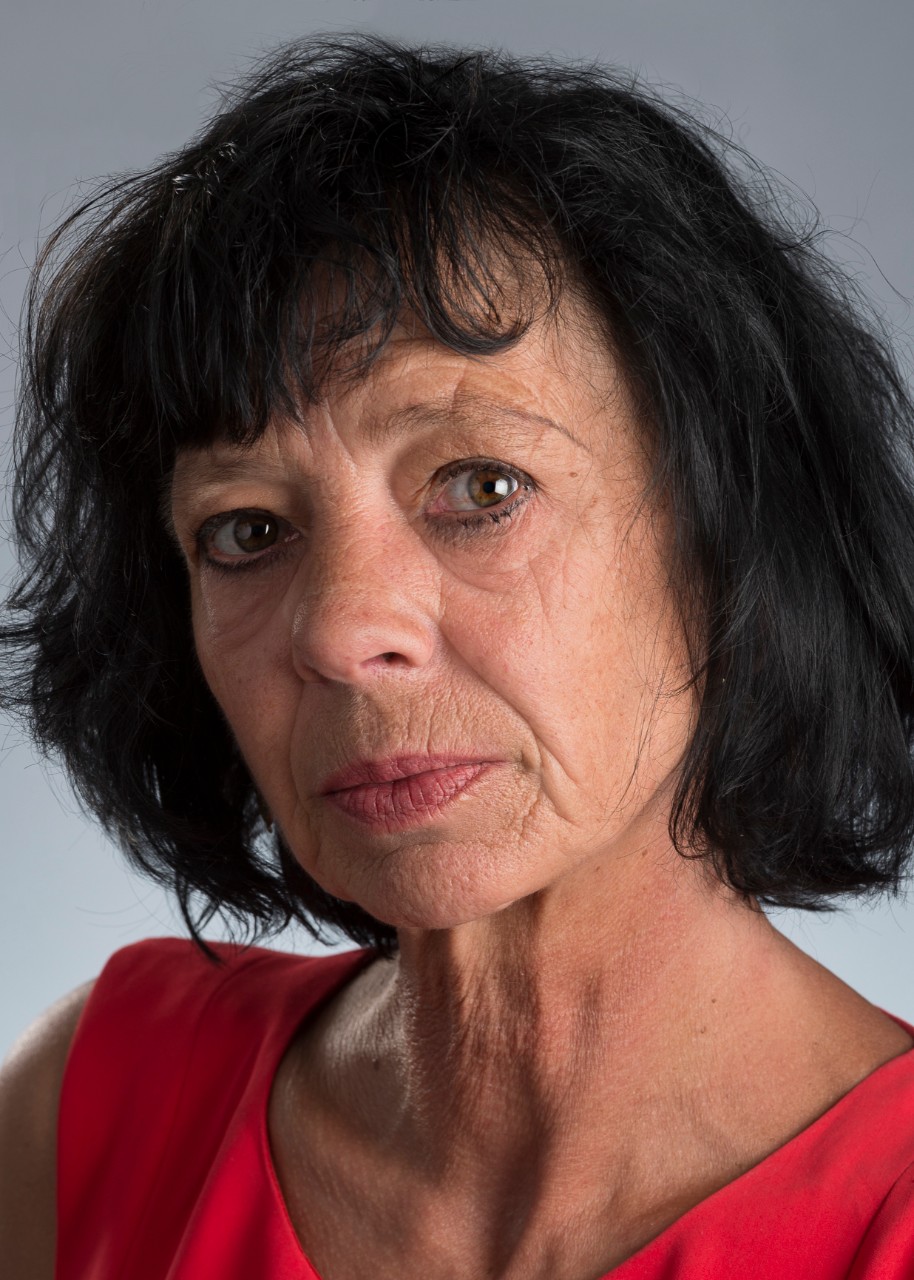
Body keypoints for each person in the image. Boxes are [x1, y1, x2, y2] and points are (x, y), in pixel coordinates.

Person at [2, 29, 914, 1280]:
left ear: (728, 532)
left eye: (480, 485)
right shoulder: (89, 1107)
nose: (337, 631)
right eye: (246, 530)